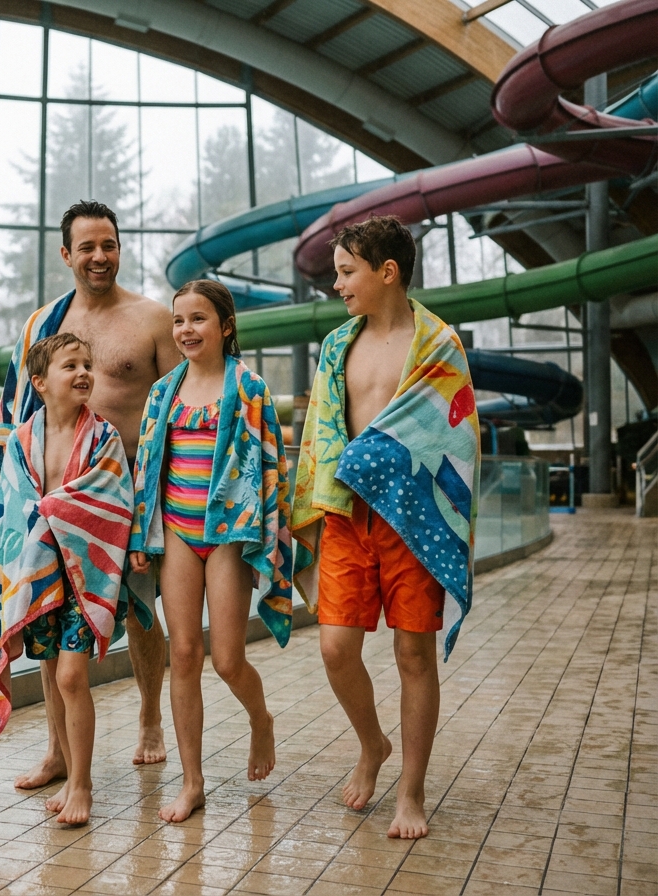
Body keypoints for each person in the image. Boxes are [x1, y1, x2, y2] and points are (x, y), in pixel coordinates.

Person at [291, 215, 479, 840]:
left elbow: (453, 435)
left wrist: (386, 465)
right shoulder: (338, 344)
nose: (338, 285)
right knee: (336, 647)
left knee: (412, 653)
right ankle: (373, 743)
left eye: (347, 272)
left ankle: (412, 791)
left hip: (413, 519)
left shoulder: (437, 345)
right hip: (348, 514)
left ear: (387, 272)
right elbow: (323, 427)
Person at [0, 200, 182, 786]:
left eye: (110, 245)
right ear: (67, 253)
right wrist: (8, 495)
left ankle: (150, 716)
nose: (101, 257)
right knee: (48, 616)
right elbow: (20, 407)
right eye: (89, 247)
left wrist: (164, 499)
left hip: (133, 493)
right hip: (53, 501)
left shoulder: (151, 320)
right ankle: (56, 750)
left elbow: (183, 405)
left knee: (144, 611)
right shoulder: (43, 325)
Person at [129, 279, 294, 823]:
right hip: (177, 531)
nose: (186, 330)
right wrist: (138, 536)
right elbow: (147, 470)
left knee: (226, 659)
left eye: (198, 319)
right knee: (183, 655)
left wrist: (274, 535)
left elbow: (271, 467)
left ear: (225, 327)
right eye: (179, 320)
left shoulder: (247, 389)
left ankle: (262, 720)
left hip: (227, 532)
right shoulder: (164, 392)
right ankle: (192, 781)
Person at [0, 333, 134, 825]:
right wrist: (42, 518)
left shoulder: (103, 436)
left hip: (85, 575)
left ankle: (83, 784)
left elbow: (113, 500)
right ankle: (65, 768)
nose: (84, 372)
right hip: (41, 574)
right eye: (71, 366)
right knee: (50, 673)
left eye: (88, 364)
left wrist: (52, 507)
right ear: (41, 383)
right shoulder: (23, 438)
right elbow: (10, 508)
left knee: (71, 675)